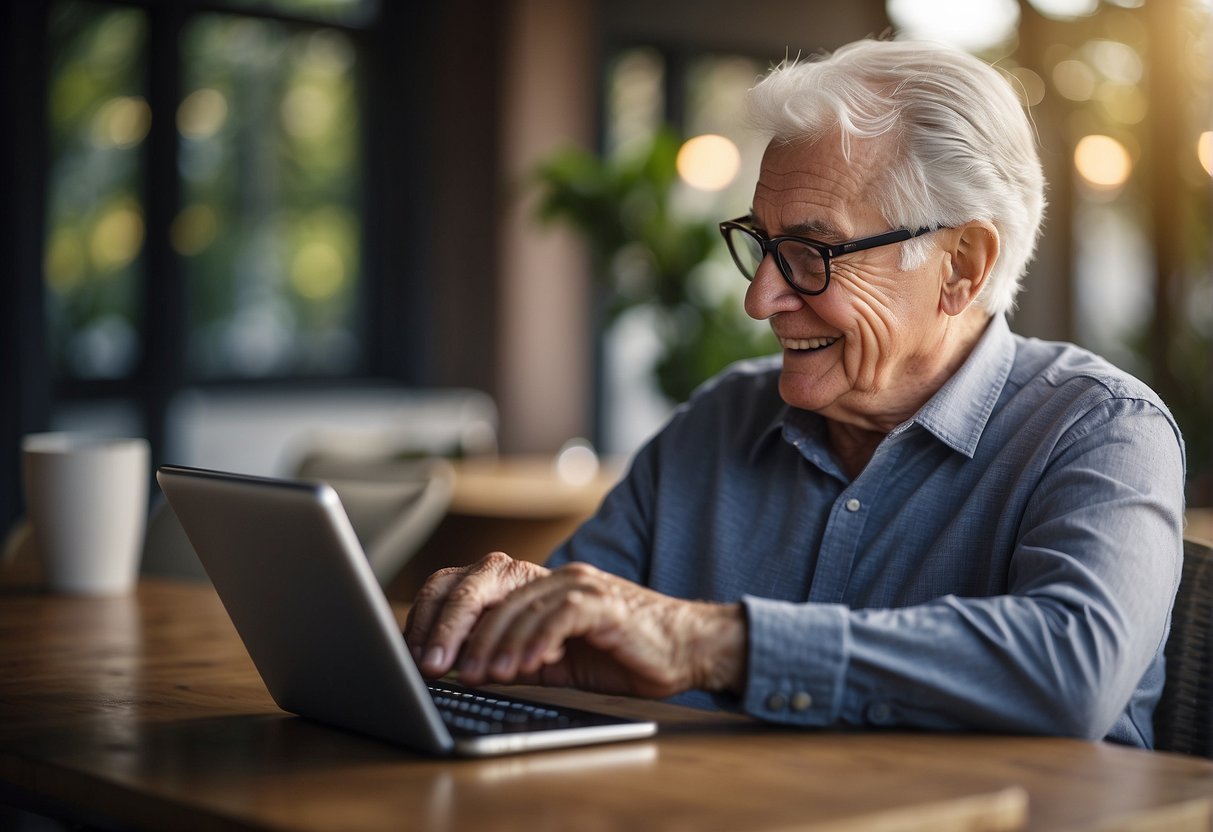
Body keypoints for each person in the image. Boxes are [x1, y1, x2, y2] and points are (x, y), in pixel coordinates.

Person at [405, 38, 1186, 747]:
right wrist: (501, 621)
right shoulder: (719, 420)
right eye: (762, 245)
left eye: (811, 252)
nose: (761, 299)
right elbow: (573, 628)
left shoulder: (1102, 431)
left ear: (961, 267)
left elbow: (1069, 671)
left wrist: (708, 641)